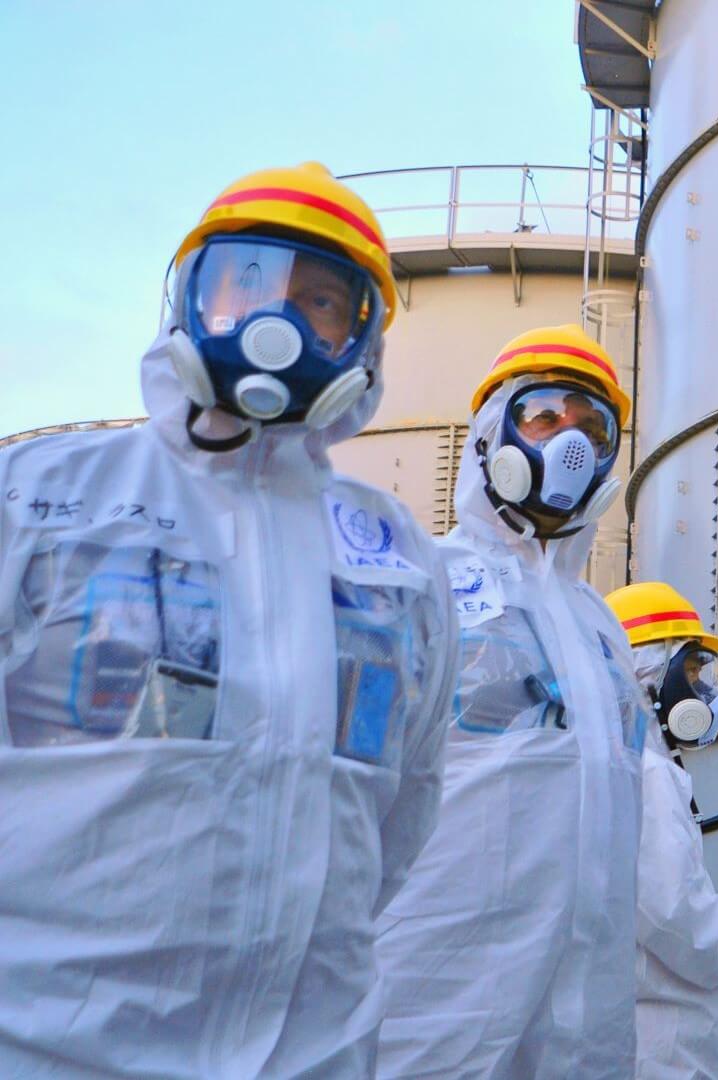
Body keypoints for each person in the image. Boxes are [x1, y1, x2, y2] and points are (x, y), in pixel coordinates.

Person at [0, 162, 457, 1075]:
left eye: (320, 301)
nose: (275, 320)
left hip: (317, 1054)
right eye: (244, 282)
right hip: (52, 1046)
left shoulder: (398, 558)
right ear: (187, 296)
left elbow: (404, 810)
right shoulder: (38, 498)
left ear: (362, 338)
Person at [375, 325, 646, 1078]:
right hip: (436, 998)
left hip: (587, 1008)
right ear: (494, 430)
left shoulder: (601, 628)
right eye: (547, 417)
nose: (571, 444)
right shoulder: (417, 580)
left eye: (595, 429)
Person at [605, 580, 718, 1080]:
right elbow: (674, 912)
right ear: (647, 676)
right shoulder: (646, 772)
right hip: (662, 1038)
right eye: (689, 672)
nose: (703, 692)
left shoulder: (631, 763)